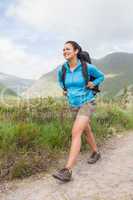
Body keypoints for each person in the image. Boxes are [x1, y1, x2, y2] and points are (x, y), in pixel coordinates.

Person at [52, 41, 105, 182]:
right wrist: (64, 89)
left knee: (76, 132)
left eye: (68, 49)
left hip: (87, 102)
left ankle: (67, 170)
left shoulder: (86, 67)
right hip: (73, 105)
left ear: (76, 51)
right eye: (63, 49)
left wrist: (93, 83)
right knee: (86, 130)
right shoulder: (62, 69)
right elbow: (60, 81)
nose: (64, 51)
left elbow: (101, 76)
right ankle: (96, 152)